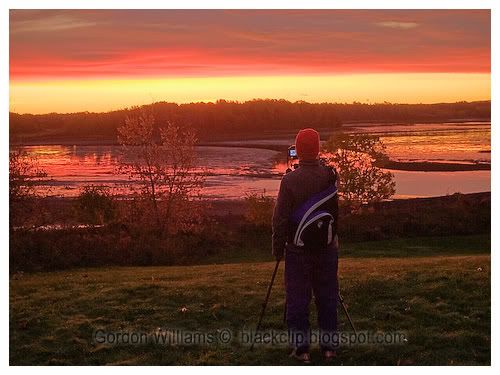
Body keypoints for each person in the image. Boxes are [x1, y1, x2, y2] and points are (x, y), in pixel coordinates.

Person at [272, 128, 339, 363]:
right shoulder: (330, 174)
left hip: (297, 249)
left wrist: (277, 247)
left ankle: (302, 351)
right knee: (328, 296)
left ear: (298, 150)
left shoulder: (290, 180)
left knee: (298, 299)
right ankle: (330, 349)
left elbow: (280, 218)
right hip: (327, 248)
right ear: (318, 148)